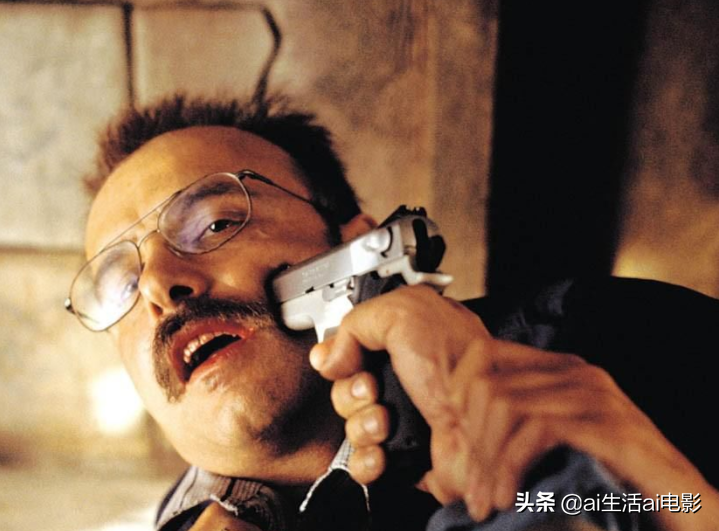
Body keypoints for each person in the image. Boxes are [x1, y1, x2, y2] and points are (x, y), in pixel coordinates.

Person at [65, 94, 719, 531]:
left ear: (355, 241)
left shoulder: (628, 337)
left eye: (214, 222)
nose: (160, 285)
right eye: (121, 286)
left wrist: (679, 501)